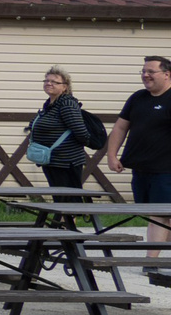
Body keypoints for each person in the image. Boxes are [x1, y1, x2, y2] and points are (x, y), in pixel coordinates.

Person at [104, 55, 171, 244]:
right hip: (140, 169)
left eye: (151, 71)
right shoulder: (138, 97)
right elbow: (120, 127)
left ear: (167, 74)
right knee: (158, 216)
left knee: (158, 215)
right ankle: (165, 262)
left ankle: (151, 262)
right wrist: (111, 155)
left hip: (165, 171)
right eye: (143, 71)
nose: (145, 75)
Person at [27, 68, 96, 196]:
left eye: (54, 82)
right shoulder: (50, 105)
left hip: (66, 162)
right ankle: (65, 217)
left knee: (68, 199)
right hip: (51, 160)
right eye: (46, 80)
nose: (49, 83)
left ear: (65, 87)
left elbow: (80, 132)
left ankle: (70, 217)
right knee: (59, 198)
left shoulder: (67, 104)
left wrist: (67, 149)